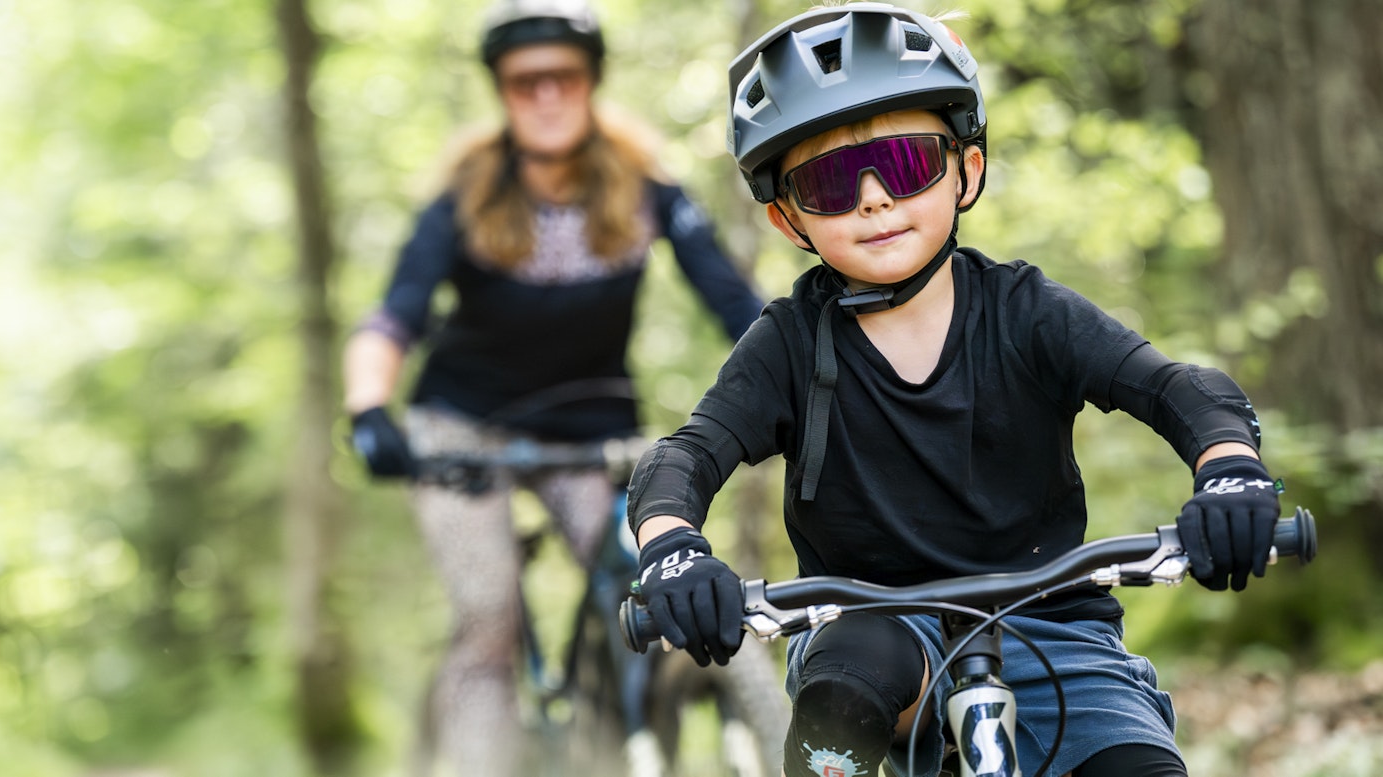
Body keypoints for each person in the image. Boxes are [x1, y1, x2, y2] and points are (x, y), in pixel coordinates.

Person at [625, 5, 1282, 777]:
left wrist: (1230, 466)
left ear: (966, 170)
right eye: (830, 181)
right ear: (785, 217)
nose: (873, 198)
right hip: (865, 627)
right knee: (846, 689)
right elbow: (685, 457)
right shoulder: (788, 342)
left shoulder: (1029, 311)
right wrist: (671, 552)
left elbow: (1177, 389)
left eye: (904, 164)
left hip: (1054, 630)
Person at [341, 1, 764, 774]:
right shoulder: (464, 195)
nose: (545, 96)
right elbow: (393, 319)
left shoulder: (645, 187)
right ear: (501, 92)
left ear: (591, 81)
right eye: (523, 81)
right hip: (462, 430)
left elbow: (737, 306)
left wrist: (807, 386)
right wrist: (370, 408)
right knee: (488, 617)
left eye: (562, 77)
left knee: (654, 578)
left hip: (591, 432)